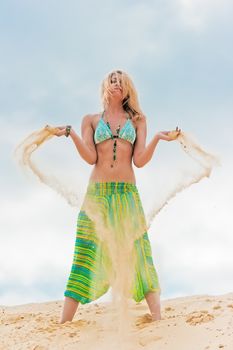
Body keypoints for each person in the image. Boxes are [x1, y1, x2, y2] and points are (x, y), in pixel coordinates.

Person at [54, 69, 181, 324]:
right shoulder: (90, 120)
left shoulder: (137, 121)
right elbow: (91, 157)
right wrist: (71, 133)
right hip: (97, 195)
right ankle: (64, 323)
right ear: (105, 86)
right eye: (113, 81)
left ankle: (158, 319)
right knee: (85, 251)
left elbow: (140, 160)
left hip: (126, 195)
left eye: (121, 82)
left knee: (139, 249)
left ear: (128, 89)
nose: (117, 85)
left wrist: (157, 138)